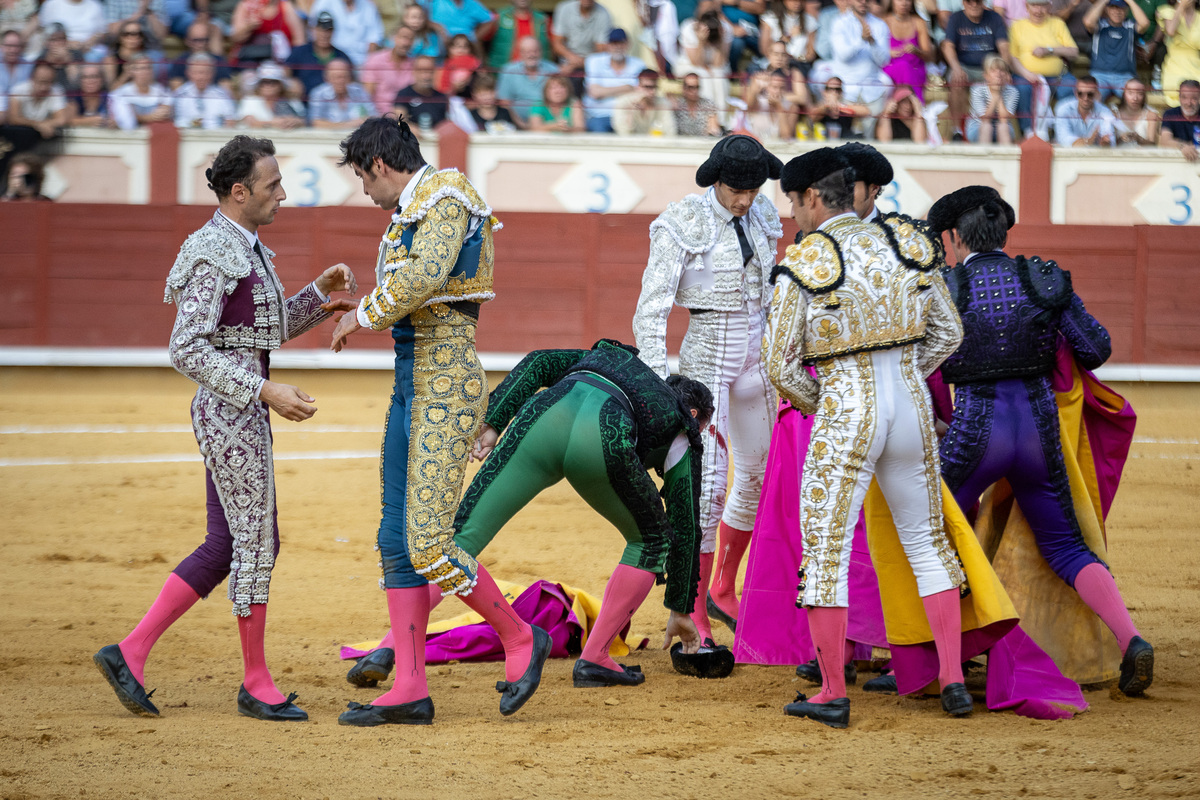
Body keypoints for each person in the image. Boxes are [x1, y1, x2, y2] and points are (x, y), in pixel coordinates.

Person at [92, 134, 358, 722]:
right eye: (273, 186)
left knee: (226, 544)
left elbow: (258, 332)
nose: (283, 195)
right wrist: (264, 389)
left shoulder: (246, 245)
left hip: (239, 409)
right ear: (240, 192)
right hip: (231, 412)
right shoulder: (216, 251)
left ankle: (130, 653)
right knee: (257, 540)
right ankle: (255, 682)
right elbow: (185, 348)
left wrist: (319, 297)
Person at [328, 116, 550, 727]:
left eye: (361, 177)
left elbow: (425, 276)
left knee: (427, 542)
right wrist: (369, 303)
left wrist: (364, 312)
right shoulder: (418, 207)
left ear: (377, 164)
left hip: (446, 386)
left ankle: (520, 636)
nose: (365, 192)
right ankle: (409, 686)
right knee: (396, 539)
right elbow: (418, 281)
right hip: (412, 384)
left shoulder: (447, 193)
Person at [766, 147, 969, 728]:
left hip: (846, 410)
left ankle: (832, 690)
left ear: (810, 198)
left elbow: (779, 367)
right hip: (910, 405)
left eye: (793, 203)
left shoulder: (805, 263)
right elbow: (949, 334)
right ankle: (952, 680)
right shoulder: (907, 243)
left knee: (827, 551)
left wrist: (827, 404)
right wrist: (906, 373)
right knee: (927, 541)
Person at [927, 183, 1154, 697]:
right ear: (1002, 234)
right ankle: (1132, 639)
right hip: (1035, 428)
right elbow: (1094, 348)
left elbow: (922, 366)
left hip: (973, 432)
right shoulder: (1042, 278)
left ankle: (944, 669)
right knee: (1066, 546)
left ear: (957, 238)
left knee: (935, 541)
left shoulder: (946, 288)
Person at [452, 341, 711, 686]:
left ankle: (393, 647)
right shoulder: (681, 425)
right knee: (652, 540)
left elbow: (539, 360)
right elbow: (686, 524)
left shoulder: (614, 357)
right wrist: (680, 607)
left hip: (545, 417)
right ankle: (596, 657)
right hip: (602, 435)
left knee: (458, 540)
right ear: (695, 415)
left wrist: (494, 420)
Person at [632, 135, 782, 647]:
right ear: (716, 180)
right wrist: (653, 384)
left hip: (758, 351)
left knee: (762, 473)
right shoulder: (681, 221)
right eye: (738, 189)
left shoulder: (763, 215)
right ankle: (692, 605)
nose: (746, 198)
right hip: (709, 353)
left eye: (754, 188)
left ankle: (723, 585)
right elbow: (652, 307)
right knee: (709, 485)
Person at [941, 0, 1010, 137]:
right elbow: (948, 46)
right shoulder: (955, 18)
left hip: (989, 66)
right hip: (964, 66)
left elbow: (1004, 46)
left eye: (977, 2)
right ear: (963, 3)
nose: (973, 5)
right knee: (956, 80)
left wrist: (1005, 70)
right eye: (969, 1)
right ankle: (957, 131)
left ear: (983, 2)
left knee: (1000, 79)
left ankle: (1001, 127)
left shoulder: (994, 17)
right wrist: (956, 68)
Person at [1009, 0, 1079, 136]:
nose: (1038, 10)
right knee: (1022, 89)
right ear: (1026, 7)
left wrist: (1049, 50)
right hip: (1026, 75)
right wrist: (1026, 73)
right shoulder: (1017, 26)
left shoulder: (1058, 24)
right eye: (1034, 5)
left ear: (1049, 6)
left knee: (1071, 87)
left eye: (1042, 6)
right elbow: (1012, 58)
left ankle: (1063, 131)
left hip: (1058, 76)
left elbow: (1074, 52)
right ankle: (1028, 131)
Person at [827, 0, 893, 136]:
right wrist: (861, 40)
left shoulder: (880, 25)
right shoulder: (839, 23)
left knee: (869, 144)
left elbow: (884, 61)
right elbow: (843, 55)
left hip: (872, 92)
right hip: (845, 91)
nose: (863, 2)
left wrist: (872, 42)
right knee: (843, 141)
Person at [582, 28, 645, 133]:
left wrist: (604, 91)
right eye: (613, 43)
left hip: (628, 115)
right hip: (599, 116)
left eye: (621, 43)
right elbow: (595, 93)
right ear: (607, 45)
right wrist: (627, 88)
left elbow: (641, 92)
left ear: (628, 44)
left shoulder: (638, 64)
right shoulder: (594, 60)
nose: (617, 47)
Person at [1083, 0, 1150, 97]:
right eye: (1113, 7)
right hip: (1099, 76)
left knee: (1134, 98)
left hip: (1125, 77)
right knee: (1092, 99)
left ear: (1127, 10)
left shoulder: (1130, 25)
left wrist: (1130, 1)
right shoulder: (1100, 24)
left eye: (1121, 8)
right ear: (1107, 9)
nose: (1117, 12)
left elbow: (1144, 23)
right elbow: (1088, 22)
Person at [673, 9, 733, 115]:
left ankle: (721, 120)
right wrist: (701, 41)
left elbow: (719, 64)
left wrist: (720, 40)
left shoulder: (725, 29)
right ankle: (707, 117)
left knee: (719, 76)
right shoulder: (688, 27)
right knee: (703, 75)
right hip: (690, 65)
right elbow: (696, 62)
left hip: (714, 68)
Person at [285, 11, 353, 100]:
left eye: (328, 31)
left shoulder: (341, 57)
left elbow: (351, 84)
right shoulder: (300, 52)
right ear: (313, 30)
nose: (324, 34)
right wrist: (291, 83)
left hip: (332, 105)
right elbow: (284, 73)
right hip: (303, 103)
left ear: (333, 32)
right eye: (320, 30)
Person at [495, 35, 559, 123]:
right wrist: (521, 125)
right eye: (527, 52)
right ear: (520, 53)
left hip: (548, 123)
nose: (531, 55)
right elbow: (504, 103)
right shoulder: (508, 71)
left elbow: (560, 99)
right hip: (516, 123)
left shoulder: (553, 70)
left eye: (535, 51)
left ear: (541, 52)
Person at [550, 0, 613, 83]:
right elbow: (556, 44)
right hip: (566, 63)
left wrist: (575, 64)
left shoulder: (603, 14)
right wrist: (573, 60)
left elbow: (601, 50)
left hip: (591, 65)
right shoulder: (564, 8)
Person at [882, 0, 934, 101]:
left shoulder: (919, 22)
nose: (904, 3)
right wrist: (889, 53)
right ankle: (917, 105)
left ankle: (912, 105)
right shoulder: (884, 21)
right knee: (903, 66)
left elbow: (929, 56)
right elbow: (875, 51)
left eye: (907, 0)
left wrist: (916, 50)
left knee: (906, 67)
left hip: (915, 68)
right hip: (891, 66)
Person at [306, 0, 384, 67]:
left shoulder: (368, 6)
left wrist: (368, 66)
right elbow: (314, 29)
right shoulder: (325, 2)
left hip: (361, 62)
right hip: (334, 59)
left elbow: (374, 39)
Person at [482, 0, 552, 74]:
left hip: (537, 74)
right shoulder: (498, 17)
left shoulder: (543, 19)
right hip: (502, 72)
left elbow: (552, 46)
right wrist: (483, 63)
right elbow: (477, 39)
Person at [7, 61, 71, 140]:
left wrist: (43, 125)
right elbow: (13, 119)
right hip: (19, 137)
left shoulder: (57, 90)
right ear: (31, 79)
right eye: (41, 82)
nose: (44, 87)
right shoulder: (18, 90)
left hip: (45, 138)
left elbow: (61, 119)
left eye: (49, 82)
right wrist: (38, 125)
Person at [228, 0, 305, 65]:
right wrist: (249, 26)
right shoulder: (247, 6)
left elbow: (300, 41)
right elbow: (235, 38)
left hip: (281, 63)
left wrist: (291, 63)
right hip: (250, 61)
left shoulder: (285, 6)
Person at [110, 52, 174, 128]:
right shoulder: (122, 92)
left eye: (148, 68)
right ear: (132, 71)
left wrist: (164, 113)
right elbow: (123, 119)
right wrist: (148, 118)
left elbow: (166, 111)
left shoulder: (162, 90)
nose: (146, 72)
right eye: (141, 68)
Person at [360, 25, 415, 114]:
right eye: (403, 37)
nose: (406, 43)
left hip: (405, 116)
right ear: (394, 38)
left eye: (410, 39)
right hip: (378, 115)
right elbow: (367, 95)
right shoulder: (375, 60)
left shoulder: (414, 64)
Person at [235, 59, 306, 128]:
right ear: (258, 85)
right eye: (263, 82)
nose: (268, 85)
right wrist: (276, 123)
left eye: (273, 82)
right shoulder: (250, 100)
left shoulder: (292, 101)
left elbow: (304, 121)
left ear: (280, 85)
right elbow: (251, 122)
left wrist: (295, 122)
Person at [173, 53, 237, 128]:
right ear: (188, 73)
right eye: (196, 73)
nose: (201, 77)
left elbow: (231, 120)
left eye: (205, 73)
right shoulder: (179, 94)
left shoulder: (223, 95)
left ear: (212, 73)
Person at [167, 20, 234, 90]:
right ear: (187, 41)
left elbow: (227, 90)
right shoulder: (180, 61)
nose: (200, 44)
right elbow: (176, 89)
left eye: (204, 40)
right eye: (196, 40)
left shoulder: (219, 61)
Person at [967, 52, 1019, 142]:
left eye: (1002, 70)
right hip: (978, 127)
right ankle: (984, 154)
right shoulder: (977, 89)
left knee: (1003, 127)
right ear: (986, 76)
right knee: (987, 127)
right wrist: (995, 95)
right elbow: (985, 119)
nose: (998, 74)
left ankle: (1005, 155)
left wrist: (998, 94)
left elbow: (1004, 120)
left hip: (1003, 127)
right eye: (993, 71)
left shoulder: (1012, 91)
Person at [307, 57, 372, 128]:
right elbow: (315, 122)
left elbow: (372, 116)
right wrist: (348, 125)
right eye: (336, 77)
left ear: (350, 77)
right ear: (326, 78)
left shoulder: (359, 91)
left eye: (344, 77)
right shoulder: (319, 93)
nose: (340, 81)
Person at [1053, 73, 1115, 145]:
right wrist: (1087, 141)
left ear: (1096, 93)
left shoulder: (1104, 111)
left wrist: (1105, 142)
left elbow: (1110, 139)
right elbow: (1063, 139)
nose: (1085, 98)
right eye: (1080, 93)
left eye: (1090, 94)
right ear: (1075, 92)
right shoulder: (1063, 108)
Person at [1157, 0, 1199, 103]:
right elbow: (1170, 31)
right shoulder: (1167, 11)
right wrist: (1181, 7)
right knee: (1177, 94)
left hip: (1196, 64)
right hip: (1175, 66)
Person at [613, 67, 677, 134]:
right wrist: (631, 112)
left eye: (655, 87)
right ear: (637, 87)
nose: (653, 91)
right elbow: (622, 132)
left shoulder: (663, 103)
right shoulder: (622, 102)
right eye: (647, 87)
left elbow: (671, 132)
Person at [393, 55, 449, 131]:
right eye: (422, 71)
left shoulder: (441, 97)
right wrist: (410, 128)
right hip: (411, 138)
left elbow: (447, 122)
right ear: (414, 72)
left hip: (435, 138)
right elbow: (399, 120)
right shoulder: (404, 94)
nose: (426, 76)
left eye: (430, 71)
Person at [1159, 77, 1200, 159]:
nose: (1188, 103)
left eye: (1194, 98)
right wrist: (1183, 146)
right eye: (1184, 97)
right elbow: (1164, 141)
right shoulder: (1170, 114)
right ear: (1179, 97)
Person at [1112, 76, 1160, 144]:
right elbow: (1108, 145)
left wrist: (1139, 139)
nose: (1135, 98)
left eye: (1140, 93)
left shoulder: (1151, 114)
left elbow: (1152, 144)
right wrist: (1121, 138)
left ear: (1144, 96)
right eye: (1130, 93)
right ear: (1124, 94)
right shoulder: (1114, 113)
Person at [673, 71, 722, 136]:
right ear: (684, 88)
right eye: (691, 87)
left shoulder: (708, 104)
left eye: (697, 87)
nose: (695, 91)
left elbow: (714, 130)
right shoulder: (677, 105)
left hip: (703, 143)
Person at [427, 0, 496, 44]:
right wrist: (437, 27)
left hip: (464, 45)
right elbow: (421, 19)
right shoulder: (436, 2)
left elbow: (490, 20)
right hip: (440, 43)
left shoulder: (471, 3)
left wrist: (474, 38)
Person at [69, 62, 114, 128]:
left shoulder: (109, 98)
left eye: (95, 76)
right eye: (85, 77)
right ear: (79, 80)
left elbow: (118, 119)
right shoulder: (74, 97)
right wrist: (87, 121)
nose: (90, 80)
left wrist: (114, 123)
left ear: (102, 79)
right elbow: (68, 120)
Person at [436, 33, 481, 98]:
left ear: (470, 49)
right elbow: (441, 85)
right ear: (449, 49)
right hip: (448, 96)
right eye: (457, 46)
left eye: (465, 47)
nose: (461, 50)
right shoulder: (444, 65)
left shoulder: (473, 62)